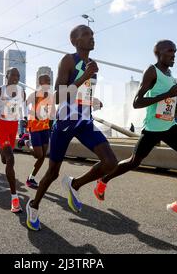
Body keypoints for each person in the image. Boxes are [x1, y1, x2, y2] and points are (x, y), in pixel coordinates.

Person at [94, 40, 177, 229]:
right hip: (153, 129)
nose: (174, 55)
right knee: (133, 162)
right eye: (171, 51)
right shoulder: (152, 70)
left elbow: (168, 99)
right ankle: (103, 180)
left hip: (169, 126)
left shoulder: (170, 74)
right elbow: (137, 102)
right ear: (159, 52)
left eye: (175, 51)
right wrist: (168, 94)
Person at [26, 25, 118, 231]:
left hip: (85, 122)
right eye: (86, 35)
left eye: (93, 34)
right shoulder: (68, 60)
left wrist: (93, 101)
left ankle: (75, 184)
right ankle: (33, 205)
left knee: (111, 162)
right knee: (52, 173)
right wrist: (84, 76)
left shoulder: (93, 64)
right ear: (75, 41)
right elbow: (58, 96)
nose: (92, 38)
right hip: (65, 123)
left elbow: (80, 95)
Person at [0, 68, 27, 213]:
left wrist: (24, 119)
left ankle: (2, 150)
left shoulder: (22, 92)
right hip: (1, 125)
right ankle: (14, 198)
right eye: (13, 74)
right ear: (6, 76)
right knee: (11, 159)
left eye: (18, 75)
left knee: (5, 159)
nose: (16, 77)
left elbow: (23, 107)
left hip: (14, 126)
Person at [25, 74, 55, 189]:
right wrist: (33, 115)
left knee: (43, 156)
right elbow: (24, 107)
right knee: (38, 154)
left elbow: (52, 113)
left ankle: (31, 178)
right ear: (39, 83)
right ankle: (27, 144)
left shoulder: (51, 97)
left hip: (45, 128)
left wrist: (51, 127)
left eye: (49, 80)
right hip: (35, 127)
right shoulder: (34, 95)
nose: (48, 82)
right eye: (45, 80)